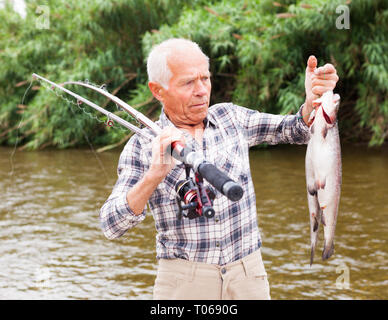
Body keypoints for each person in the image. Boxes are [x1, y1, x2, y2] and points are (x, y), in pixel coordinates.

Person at [100, 38, 339, 300]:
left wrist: (311, 101)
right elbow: (112, 225)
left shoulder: (231, 117)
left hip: (249, 276)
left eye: (205, 78)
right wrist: (154, 175)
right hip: (183, 282)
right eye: (188, 82)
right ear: (158, 90)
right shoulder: (142, 146)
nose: (202, 90)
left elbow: (295, 130)